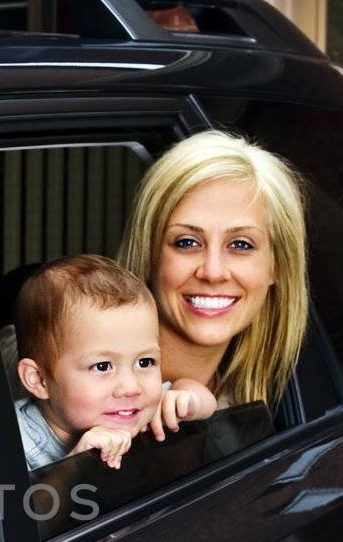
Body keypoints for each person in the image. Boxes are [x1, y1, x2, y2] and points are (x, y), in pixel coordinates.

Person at [118, 132, 309, 411]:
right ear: (148, 255)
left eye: (241, 244)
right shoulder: (88, 401)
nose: (213, 271)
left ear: (277, 265)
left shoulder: (239, 405)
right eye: (187, 242)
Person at [11, 254, 214, 472]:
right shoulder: (12, 440)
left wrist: (186, 400)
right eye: (102, 366)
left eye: (145, 362)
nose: (131, 387)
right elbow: (29, 505)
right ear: (39, 380)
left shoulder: (138, 409)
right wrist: (76, 464)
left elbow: (207, 402)